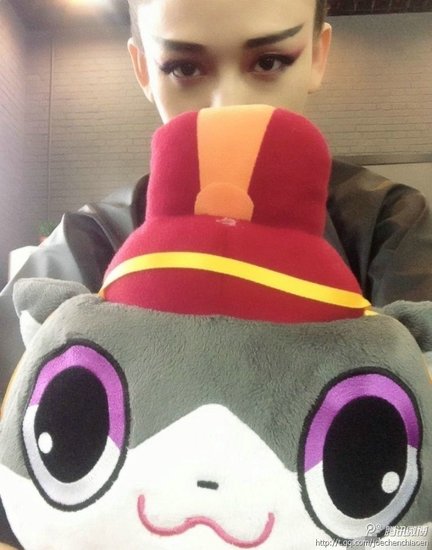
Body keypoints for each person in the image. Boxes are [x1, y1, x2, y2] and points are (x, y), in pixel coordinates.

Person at [1, 0, 432, 543]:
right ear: (143, 69)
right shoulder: (88, 244)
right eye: (184, 68)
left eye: (270, 62)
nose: (230, 105)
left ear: (318, 55)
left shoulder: (389, 226)